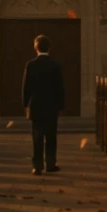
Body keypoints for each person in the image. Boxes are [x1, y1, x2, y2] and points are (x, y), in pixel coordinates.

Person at [21, 34, 65, 175]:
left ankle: (38, 166)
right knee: (51, 136)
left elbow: (26, 87)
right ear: (50, 48)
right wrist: (61, 106)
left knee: (37, 137)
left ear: (36, 48)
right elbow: (60, 88)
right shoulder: (56, 65)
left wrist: (25, 104)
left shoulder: (31, 65)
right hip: (51, 106)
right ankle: (51, 164)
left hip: (36, 105)